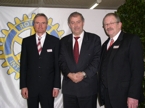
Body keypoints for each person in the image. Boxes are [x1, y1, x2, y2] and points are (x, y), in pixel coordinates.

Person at [99, 13, 144, 108]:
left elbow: (137, 70)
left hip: (125, 96)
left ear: (119, 24)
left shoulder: (131, 40)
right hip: (108, 96)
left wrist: (133, 95)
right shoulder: (105, 45)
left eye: (111, 23)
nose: (108, 26)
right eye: (106, 24)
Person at [59, 12, 101, 108]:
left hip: (88, 88)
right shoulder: (63, 41)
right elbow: (61, 61)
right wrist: (69, 74)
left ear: (83, 22)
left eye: (78, 22)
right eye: (72, 22)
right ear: (69, 24)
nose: (76, 25)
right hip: (69, 89)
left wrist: (83, 74)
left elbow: (97, 61)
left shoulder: (94, 39)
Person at [20, 13, 60, 108]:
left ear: (47, 24)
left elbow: (57, 66)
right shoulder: (26, 41)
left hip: (48, 88)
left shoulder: (55, 41)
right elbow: (23, 65)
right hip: (31, 87)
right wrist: (23, 86)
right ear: (34, 24)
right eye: (37, 23)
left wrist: (56, 86)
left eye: (43, 23)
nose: (40, 25)